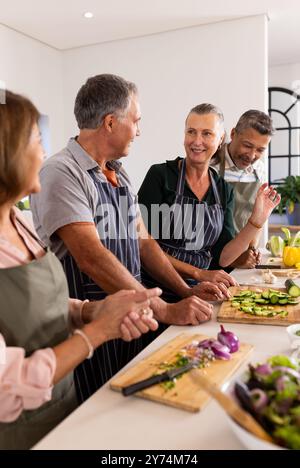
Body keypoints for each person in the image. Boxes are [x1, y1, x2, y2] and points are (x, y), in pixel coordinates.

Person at [30, 74, 229, 403]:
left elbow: (143, 241)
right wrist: (164, 310)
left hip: (133, 315)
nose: (139, 130)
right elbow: (91, 257)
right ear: (110, 122)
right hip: (90, 320)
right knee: (98, 412)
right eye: (136, 121)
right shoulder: (61, 172)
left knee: (135, 404)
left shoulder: (117, 172)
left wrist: (184, 291)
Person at [0, 90, 161, 450]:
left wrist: (91, 310)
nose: (43, 151)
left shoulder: (16, 222)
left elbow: (40, 303)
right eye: (37, 140)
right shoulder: (62, 171)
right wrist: (96, 333)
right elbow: (5, 384)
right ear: (6, 153)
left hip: (60, 411)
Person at [138, 103, 280, 282]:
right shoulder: (160, 175)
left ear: (221, 138)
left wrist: (257, 221)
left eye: (206, 133)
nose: (197, 141)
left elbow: (224, 257)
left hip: (203, 286)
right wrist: (196, 275)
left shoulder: (223, 189)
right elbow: (141, 244)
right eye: (191, 132)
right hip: (158, 286)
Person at [211, 110, 274, 232]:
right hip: (212, 249)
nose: (251, 156)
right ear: (233, 133)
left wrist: (252, 247)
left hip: (245, 246)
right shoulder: (211, 165)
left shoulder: (260, 170)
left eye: (260, 150)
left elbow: (258, 218)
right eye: (247, 146)